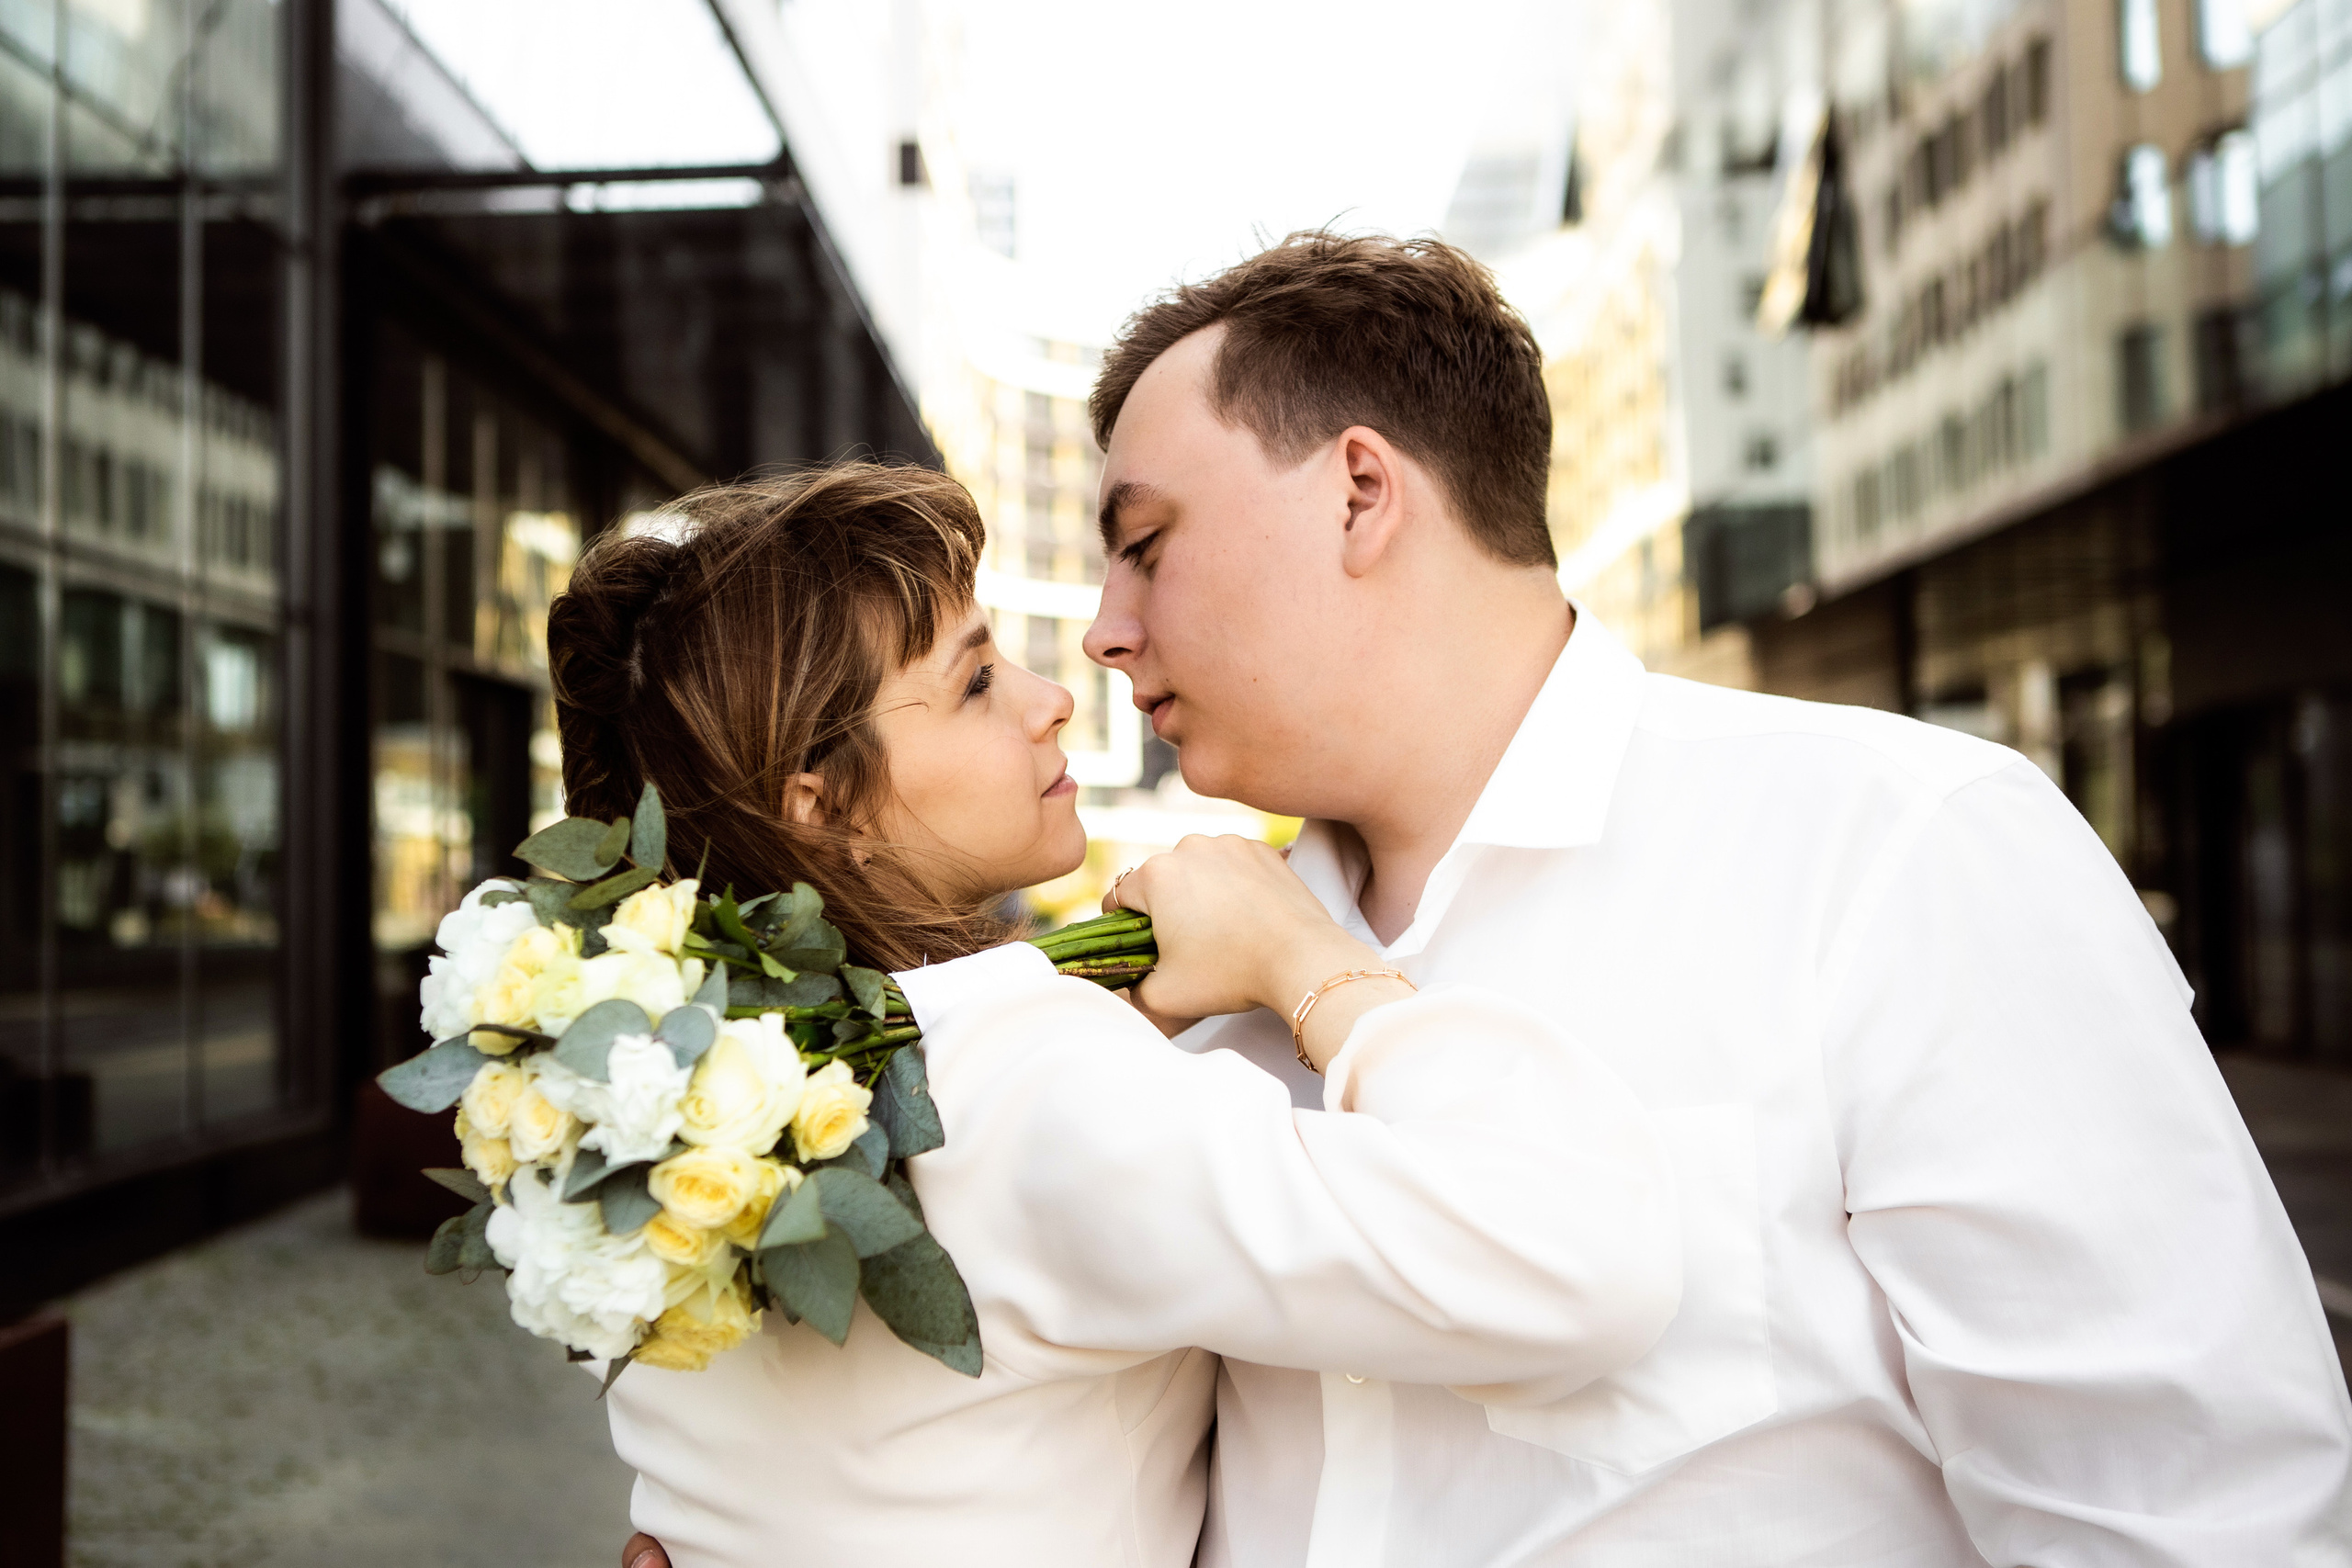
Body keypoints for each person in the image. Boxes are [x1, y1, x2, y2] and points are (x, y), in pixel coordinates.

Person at [633, 230, 2351, 1568]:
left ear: (1363, 491)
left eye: (1145, 542)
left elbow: (2188, 1510)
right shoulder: (1146, 986)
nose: (1098, 630)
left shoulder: (1896, 847)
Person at [563, 462, 1679, 1568]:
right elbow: (1583, 1261)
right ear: (824, 806)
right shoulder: (1020, 1085)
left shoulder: (672, 1094)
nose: (1050, 698)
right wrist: (1301, 957)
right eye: (975, 682)